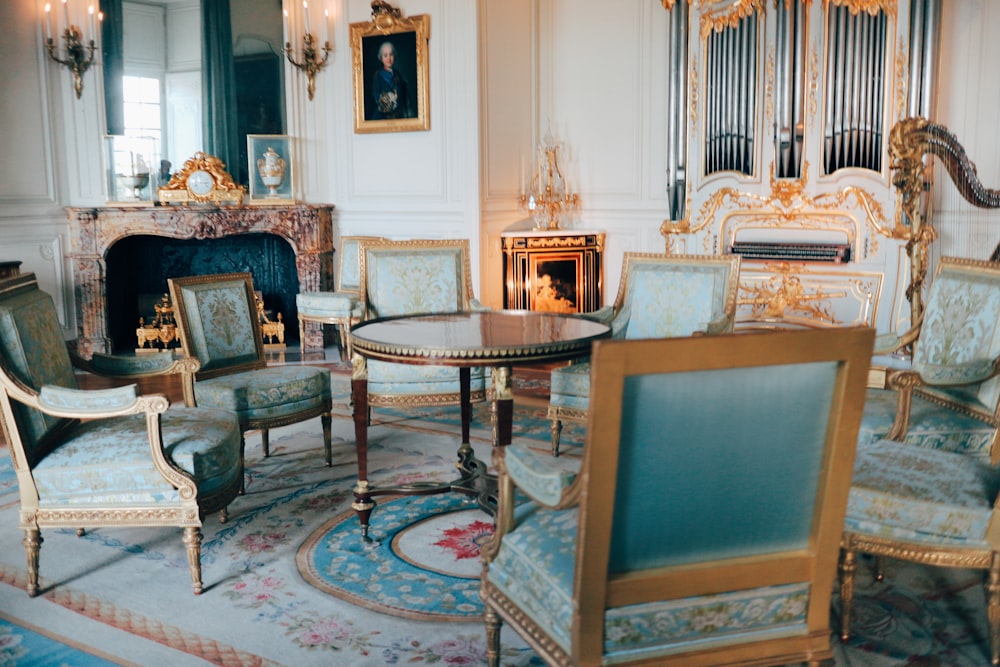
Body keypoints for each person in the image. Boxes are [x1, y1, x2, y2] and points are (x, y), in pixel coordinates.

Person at [371, 41, 411, 119]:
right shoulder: (378, 76)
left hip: (398, 114)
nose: (389, 58)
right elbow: (377, 98)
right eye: (385, 55)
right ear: (381, 58)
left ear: (394, 56)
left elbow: (403, 95)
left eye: (391, 54)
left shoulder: (398, 74)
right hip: (382, 115)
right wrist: (391, 97)